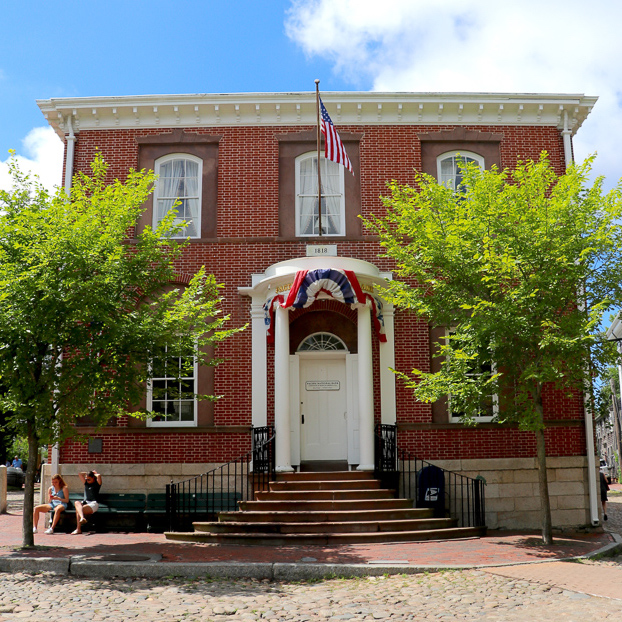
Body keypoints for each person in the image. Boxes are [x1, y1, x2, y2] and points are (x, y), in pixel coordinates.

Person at [72, 470, 102, 534]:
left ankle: (78, 529)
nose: (87, 481)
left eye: (89, 479)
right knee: (77, 503)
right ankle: (82, 518)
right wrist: (87, 473)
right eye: (86, 479)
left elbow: (99, 476)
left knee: (79, 509)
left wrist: (93, 473)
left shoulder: (97, 484)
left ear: (93, 478)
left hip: (93, 504)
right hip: (86, 502)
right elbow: (80, 474)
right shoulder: (86, 483)